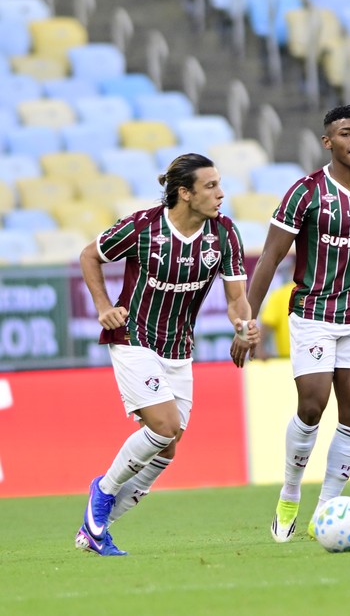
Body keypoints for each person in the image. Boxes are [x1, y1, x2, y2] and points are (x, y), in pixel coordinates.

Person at [75, 153, 259, 556]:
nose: (220, 193)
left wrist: (243, 326)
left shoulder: (224, 233)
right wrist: (104, 306)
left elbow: (236, 299)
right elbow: (90, 255)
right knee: (162, 426)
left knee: (169, 445)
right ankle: (102, 492)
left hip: (179, 349)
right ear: (184, 193)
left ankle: (95, 530)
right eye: (210, 186)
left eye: (220, 184)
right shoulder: (143, 227)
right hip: (133, 337)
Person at [246, 104, 350, 543]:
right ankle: (290, 491)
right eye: (346, 133)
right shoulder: (306, 193)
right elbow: (269, 258)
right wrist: (247, 319)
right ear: (328, 142)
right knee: (313, 403)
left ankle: (326, 509)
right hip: (314, 314)